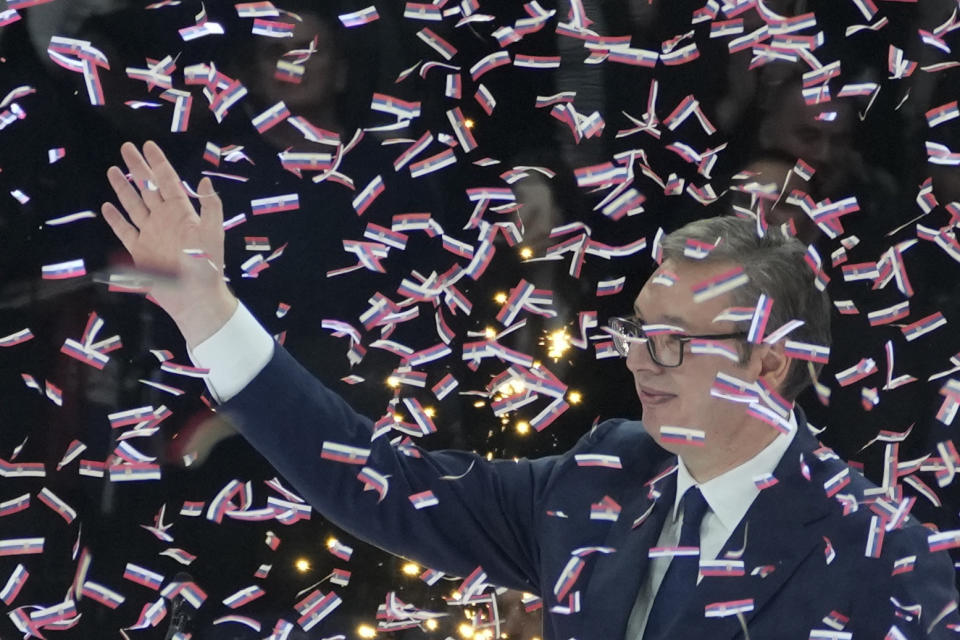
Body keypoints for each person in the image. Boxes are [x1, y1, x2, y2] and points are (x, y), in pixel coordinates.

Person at [102, 141, 960, 639]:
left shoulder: (883, 557)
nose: (636, 362)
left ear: (769, 365)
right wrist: (207, 311)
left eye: (670, 343)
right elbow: (385, 485)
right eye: (633, 332)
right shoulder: (601, 478)